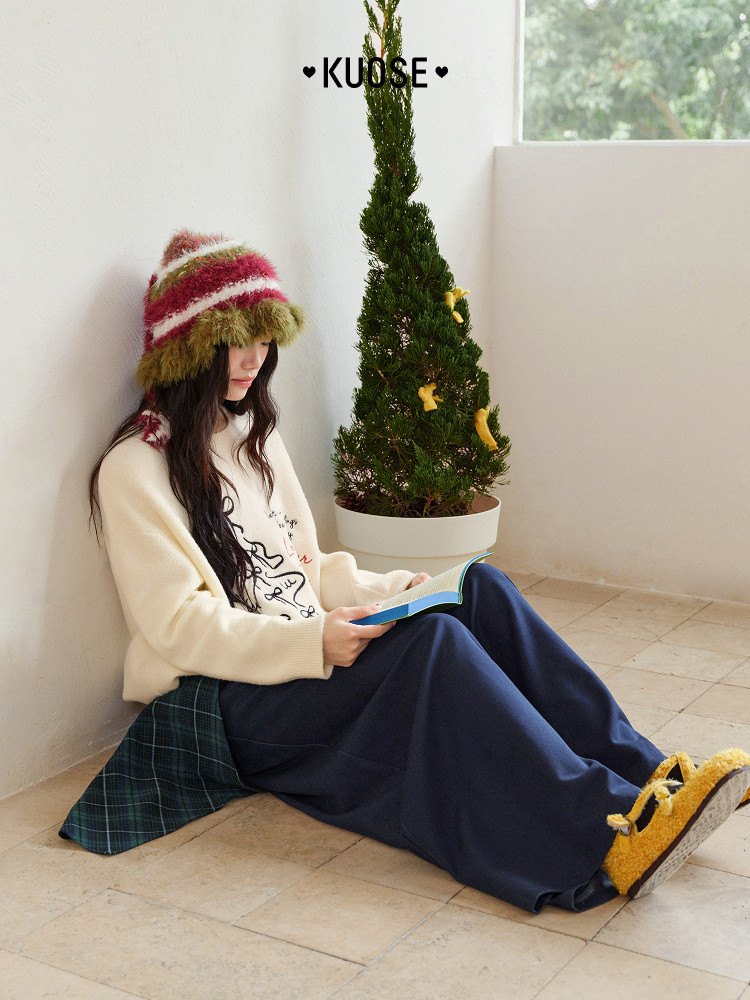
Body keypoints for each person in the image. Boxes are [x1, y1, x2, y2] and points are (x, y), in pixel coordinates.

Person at [60, 231, 750, 914]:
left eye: (265, 339)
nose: (253, 359)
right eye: (234, 341)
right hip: (226, 703)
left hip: (302, 647)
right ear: (186, 348)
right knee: (432, 646)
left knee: (480, 589)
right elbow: (177, 626)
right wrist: (312, 642)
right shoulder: (134, 469)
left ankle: (647, 773)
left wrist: (405, 591)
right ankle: (607, 826)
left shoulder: (249, 437)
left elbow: (306, 570)